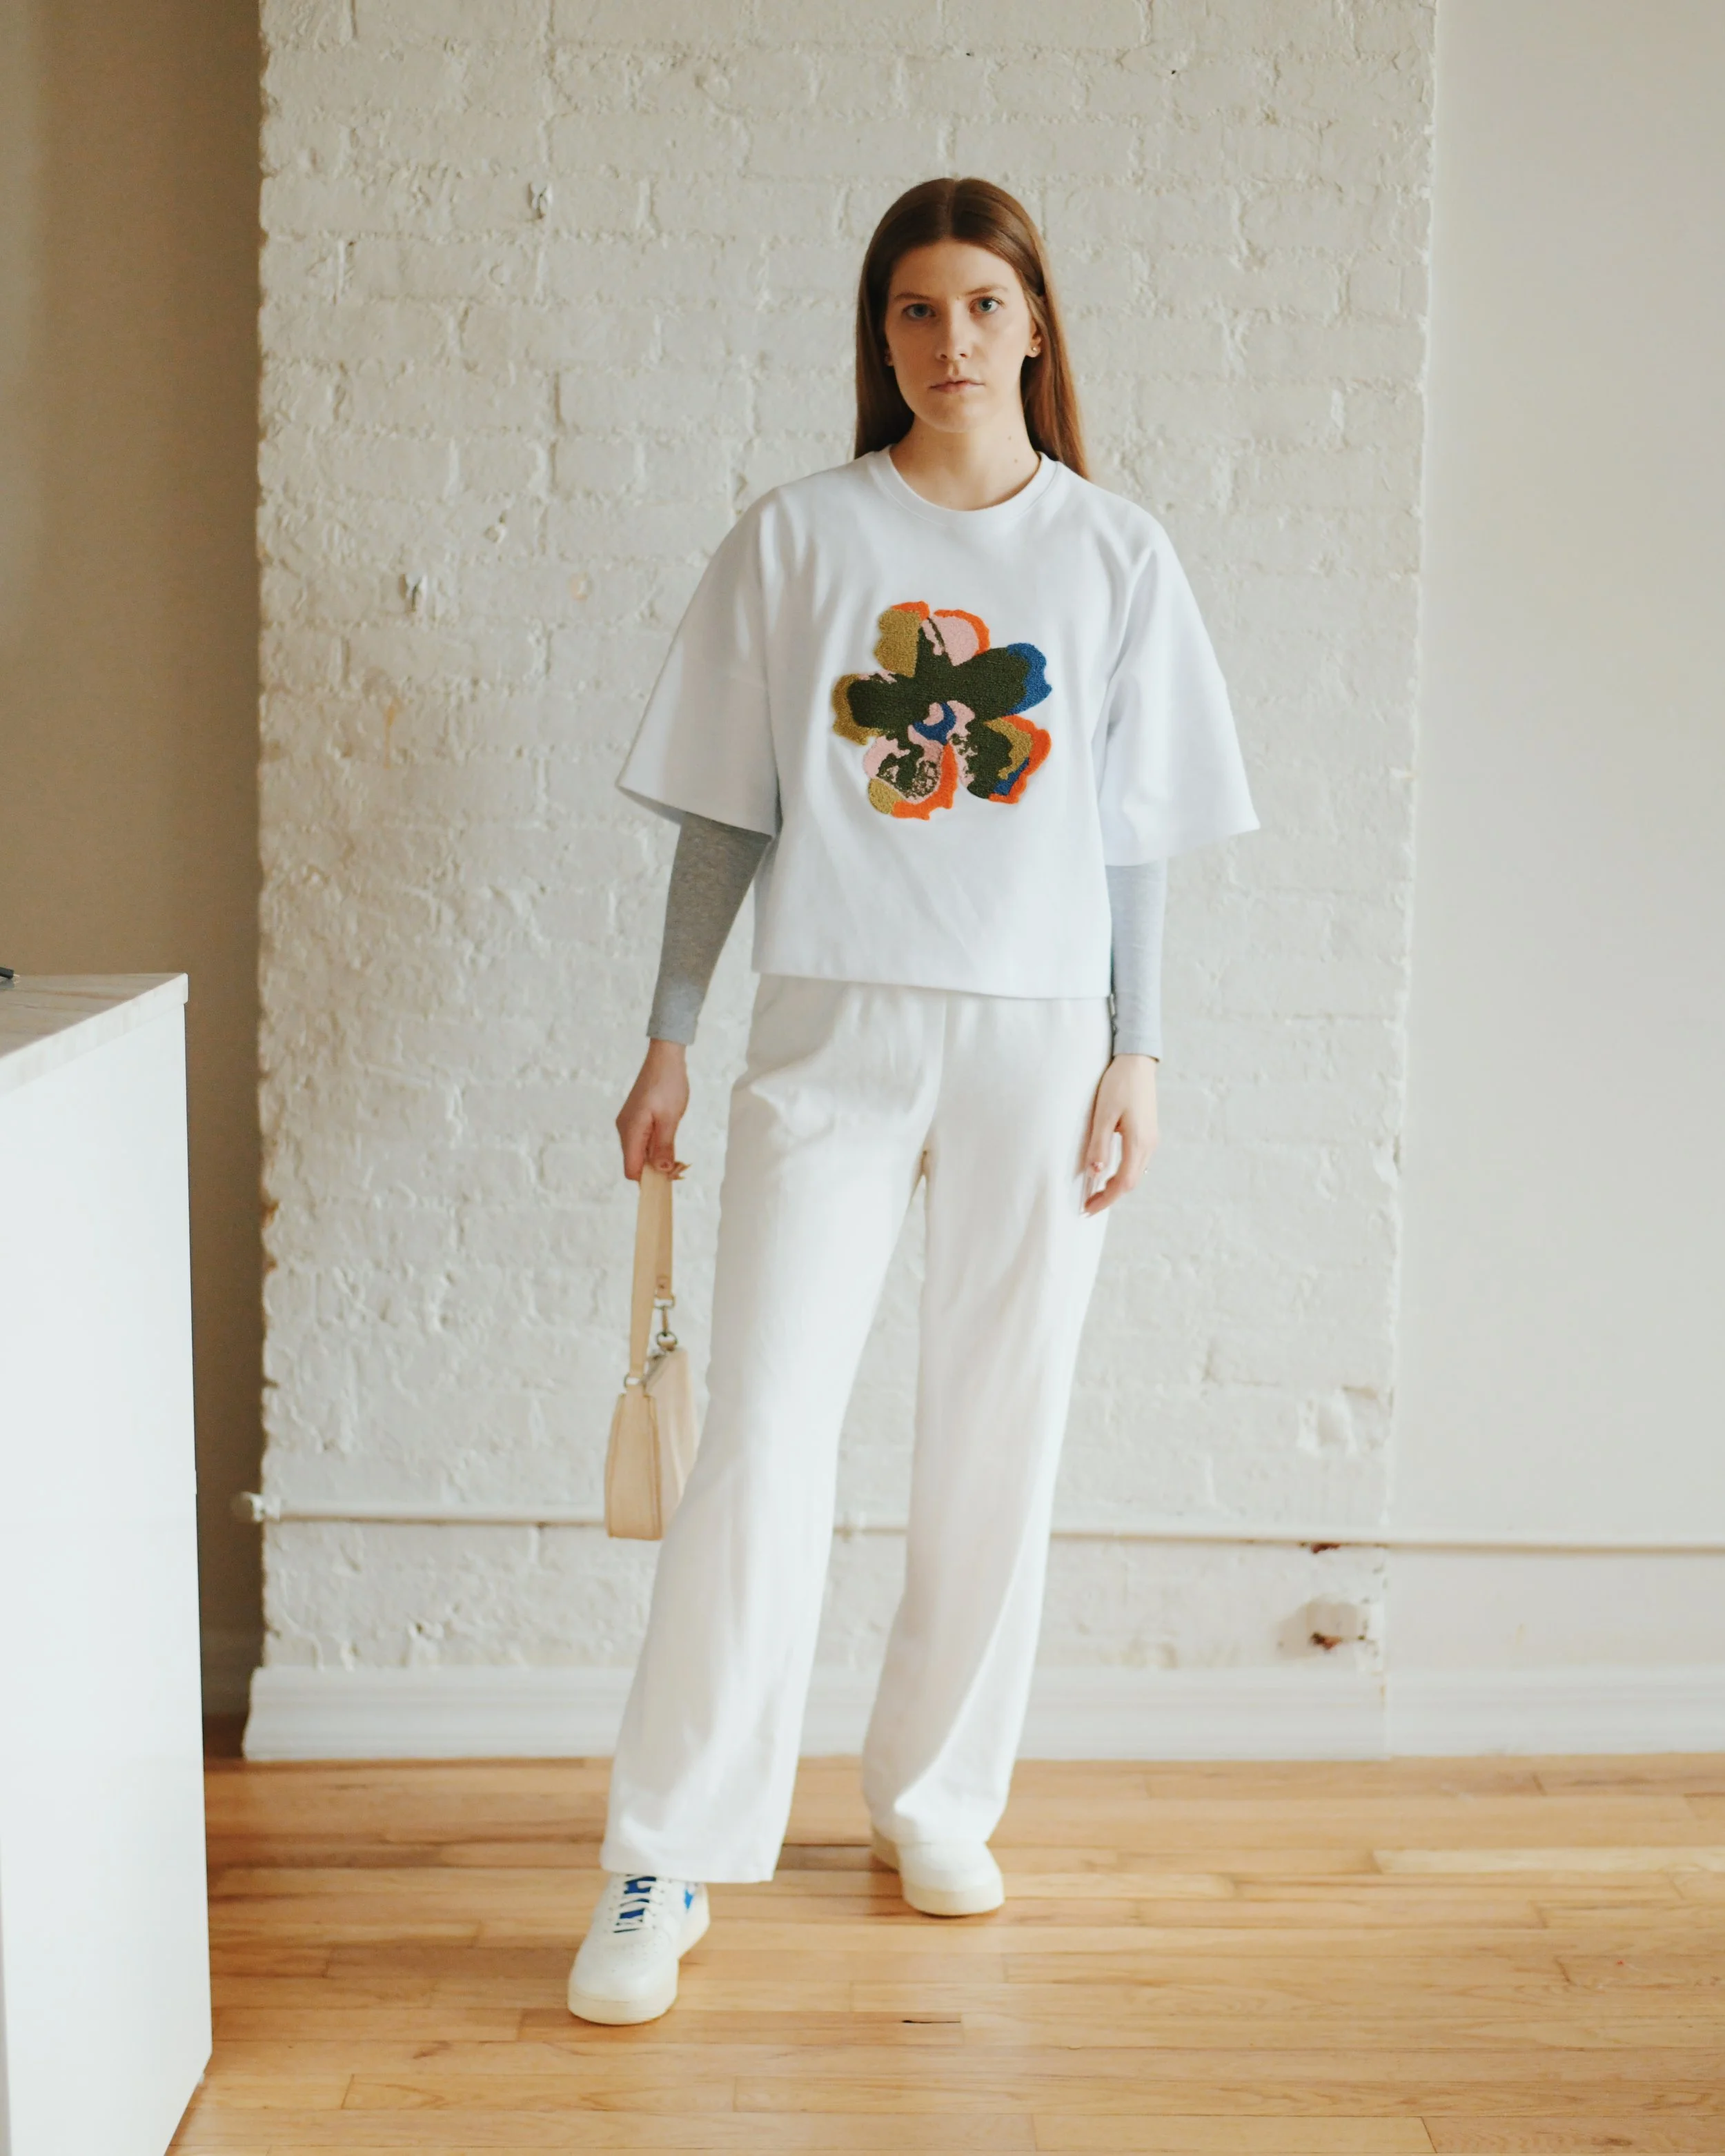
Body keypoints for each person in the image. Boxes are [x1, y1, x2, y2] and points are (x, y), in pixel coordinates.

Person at [567, 176, 1256, 2026]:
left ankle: (936, 1797)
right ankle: (665, 1848)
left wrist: (1139, 1048)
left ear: (1035, 325)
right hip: (833, 1030)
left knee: (997, 1430)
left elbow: (1132, 843)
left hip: (1042, 1039)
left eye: (980, 306)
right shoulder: (800, 538)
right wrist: (667, 1035)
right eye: (913, 311)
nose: (949, 341)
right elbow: (730, 811)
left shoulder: (1114, 556)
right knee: (764, 1433)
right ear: (880, 335)